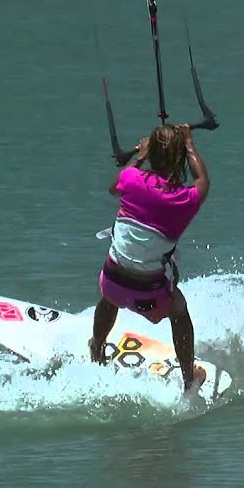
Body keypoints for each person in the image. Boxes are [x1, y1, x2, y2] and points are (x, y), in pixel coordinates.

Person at [88, 123, 210, 391]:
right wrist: (189, 144)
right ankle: (189, 378)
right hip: (150, 297)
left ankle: (97, 348)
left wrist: (140, 155)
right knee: (179, 312)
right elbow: (203, 182)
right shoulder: (184, 199)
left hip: (111, 284)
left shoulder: (131, 179)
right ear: (178, 158)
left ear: (152, 152)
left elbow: (113, 187)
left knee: (110, 294)